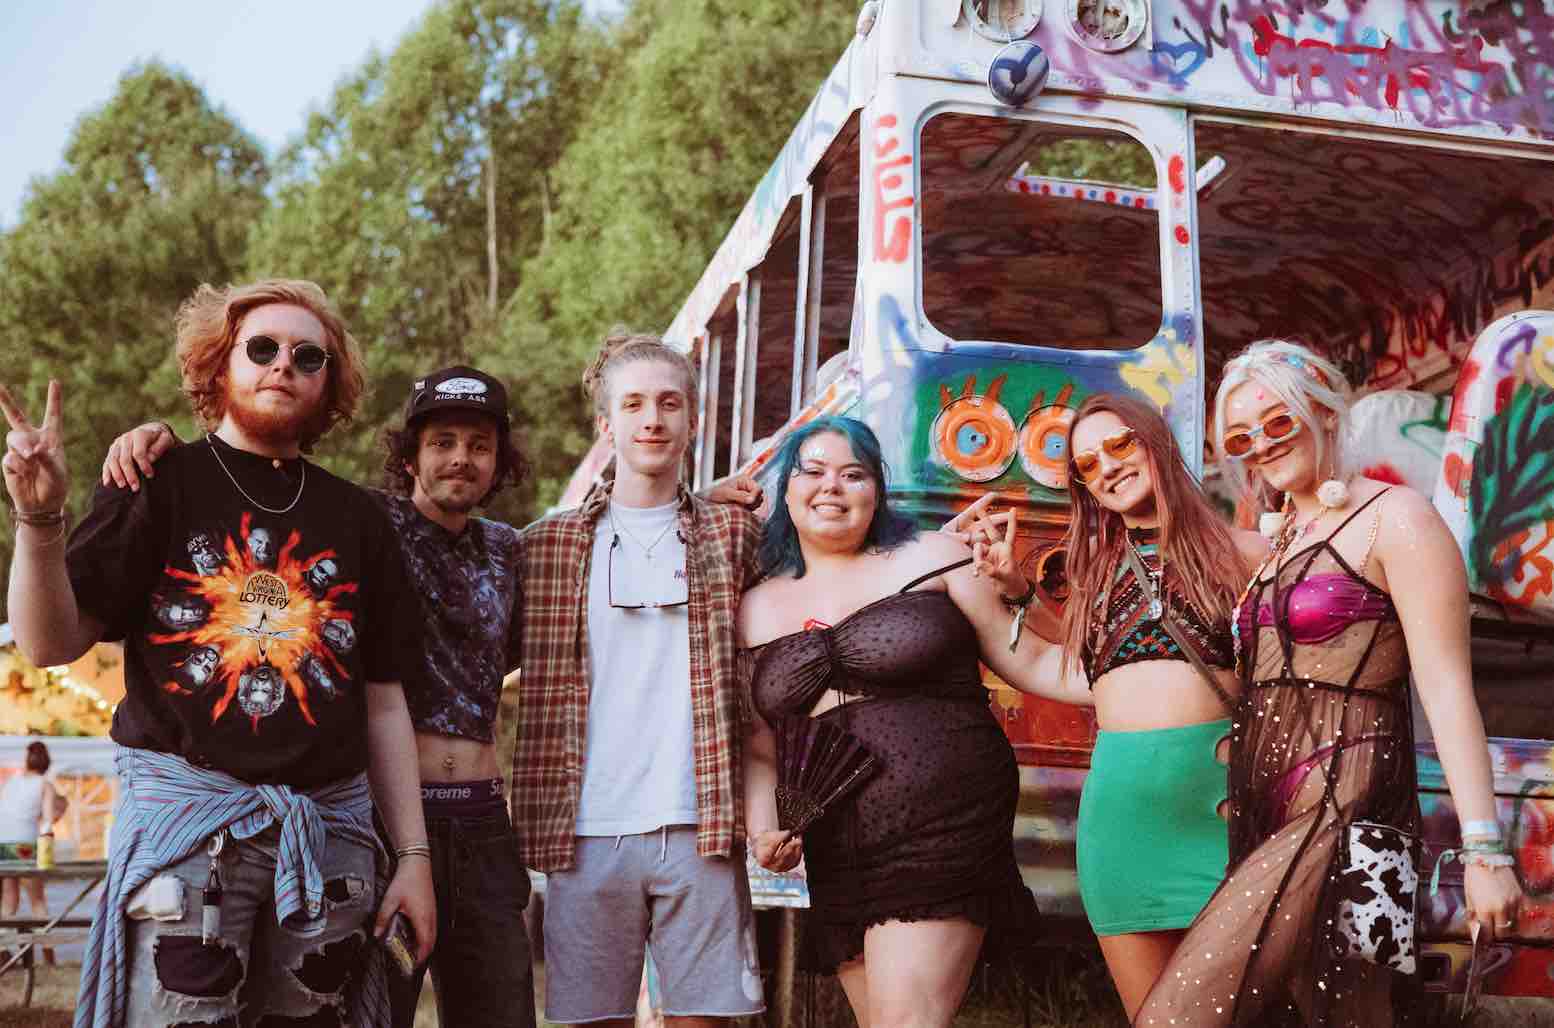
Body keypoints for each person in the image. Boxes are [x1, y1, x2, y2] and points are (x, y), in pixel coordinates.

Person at [2, 278, 435, 1028]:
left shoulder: (361, 519)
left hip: (329, 851)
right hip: (189, 844)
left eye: (309, 357)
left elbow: (384, 702)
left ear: (330, 384)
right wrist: (39, 518)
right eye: (261, 348)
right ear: (217, 365)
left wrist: (416, 861)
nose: (283, 367)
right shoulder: (154, 479)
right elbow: (48, 643)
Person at [101, 365, 535, 1028]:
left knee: (500, 1015)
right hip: (385, 819)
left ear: (500, 461)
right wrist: (156, 438)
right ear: (410, 454)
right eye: (443, 441)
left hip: (482, 822)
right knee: (368, 1010)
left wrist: (720, 500)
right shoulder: (364, 523)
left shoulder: (509, 551)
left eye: (479, 446)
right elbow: (259, 469)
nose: (461, 459)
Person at [1134, 340, 1523, 1026]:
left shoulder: (1396, 517)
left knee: (1182, 1012)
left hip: (1348, 805)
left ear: (1326, 411)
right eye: (1240, 436)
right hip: (1265, 807)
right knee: (1344, 1016)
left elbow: (1445, 686)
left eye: (1278, 422)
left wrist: (1486, 850)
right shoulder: (1277, 536)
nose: (1259, 445)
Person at [740, 415, 1053, 1028]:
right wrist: (762, 829)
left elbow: (1035, 660)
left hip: (943, 819)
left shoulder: (936, 555)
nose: (833, 486)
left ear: (877, 490)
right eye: (814, 470)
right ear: (786, 489)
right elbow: (760, 744)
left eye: (853, 473)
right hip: (837, 845)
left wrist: (1134, 689)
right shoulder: (754, 605)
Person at [961, 394, 1267, 1018]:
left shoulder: (1249, 554)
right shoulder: (1095, 573)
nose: (1108, 467)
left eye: (1122, 445)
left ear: (1158, 442)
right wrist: (1015, 589)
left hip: (1223, 818)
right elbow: (1088, 665)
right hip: (1123, 831)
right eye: (1088, 465)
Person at [513, 332, 770, 1026]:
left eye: (668, 404)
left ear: (693, 421)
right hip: (585, 825)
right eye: (633, 405)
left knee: (703, 1021)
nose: (652, 419)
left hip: (701, 820)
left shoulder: (733, 535)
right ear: (608, 426)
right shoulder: (546, 546)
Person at [0, 741, 70, 960]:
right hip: (26, 846)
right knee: (37, 900)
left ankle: (3, 947)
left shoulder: (12, 781)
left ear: (26, 760)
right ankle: (47, 951)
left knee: (9, 900)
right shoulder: (44, 784)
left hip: (4, 843)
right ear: (46, 761)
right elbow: (48, 821)